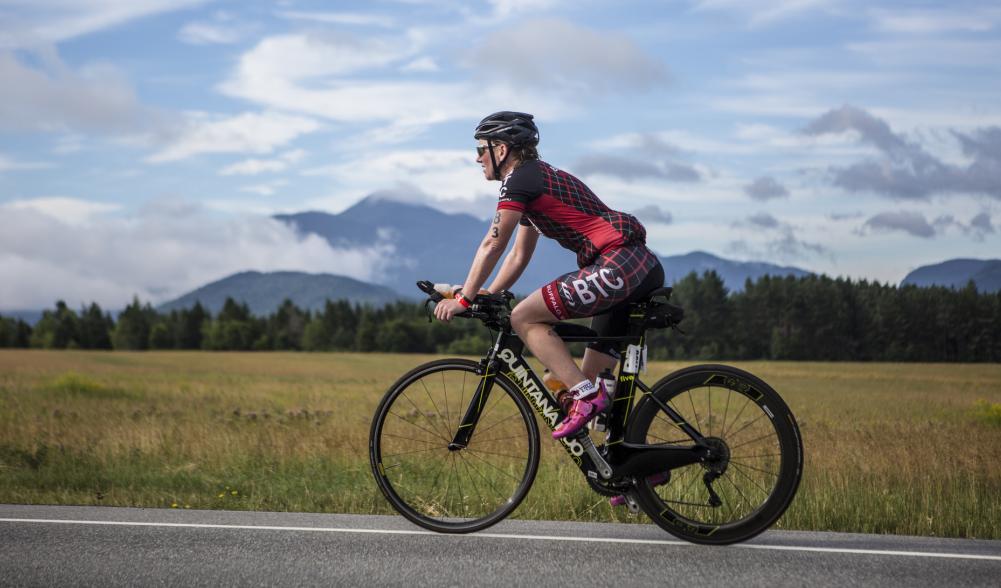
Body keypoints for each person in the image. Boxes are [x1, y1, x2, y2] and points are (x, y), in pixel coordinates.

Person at [434, 111, 665, 441]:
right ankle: (630, 474)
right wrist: (490, 293)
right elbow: (518, 254)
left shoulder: (519, 181)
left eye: (481, 149)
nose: (476, 158)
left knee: (524, 318)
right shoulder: (536, 183)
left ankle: (585, 396)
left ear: (501, 150)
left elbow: (493, 242)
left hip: (620, 263)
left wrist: (464, 298)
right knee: (591, 379)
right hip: (635, 266)